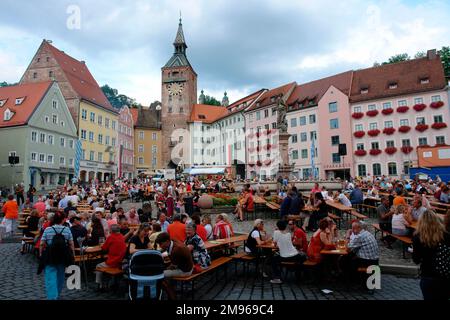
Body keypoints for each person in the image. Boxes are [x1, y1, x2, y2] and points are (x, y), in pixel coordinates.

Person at [412, 210, 450, 300]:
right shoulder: (445, 235)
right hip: (444, 276)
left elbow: (416, 260)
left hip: (427, 275)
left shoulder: (418, 237)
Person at [39, 212, 75, 300]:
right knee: (60, 275)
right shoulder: (67, 229)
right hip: (63, 254)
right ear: (63, 219)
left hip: (50, 254)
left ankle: (52, 297)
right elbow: (71, 243)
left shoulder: (48, 229)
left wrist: (41, 254)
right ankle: (57, 294)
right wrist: (72, 254)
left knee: (50, 276)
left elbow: (42, 243)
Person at [155, 232, 193, 299]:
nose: (160, 246)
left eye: (161, 244)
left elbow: (173, 266)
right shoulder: (173, 240)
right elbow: (167, 251)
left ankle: (172, 296)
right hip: (188, 266)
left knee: (160, 274)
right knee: (165, 271)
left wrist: (164, 269)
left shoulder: (176, 250)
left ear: (167, 241)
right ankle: (172, 287)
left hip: (185, 271)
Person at [94, 224, 126, 290]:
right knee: (104, 265)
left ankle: (100, 285)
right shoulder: (122, 236)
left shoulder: (111, 237)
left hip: (113, 262)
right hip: (121, 262)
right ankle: (108, 282)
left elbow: (104, 248)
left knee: (98, 266)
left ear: (111, 230)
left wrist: (103, 244)